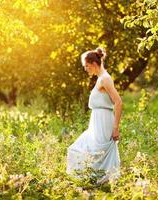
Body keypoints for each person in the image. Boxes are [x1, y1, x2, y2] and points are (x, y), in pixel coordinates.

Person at [66, 47, 123, 185]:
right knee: (81, 150)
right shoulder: (100, 79)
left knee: (96, 152)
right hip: (96, 122)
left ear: (94, 63)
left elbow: (118, 102)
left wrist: (115, 128)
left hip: (104, 122)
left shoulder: (105, 79)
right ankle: (91, 183)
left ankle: (100, 183)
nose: (85, 69)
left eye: (86, 66)